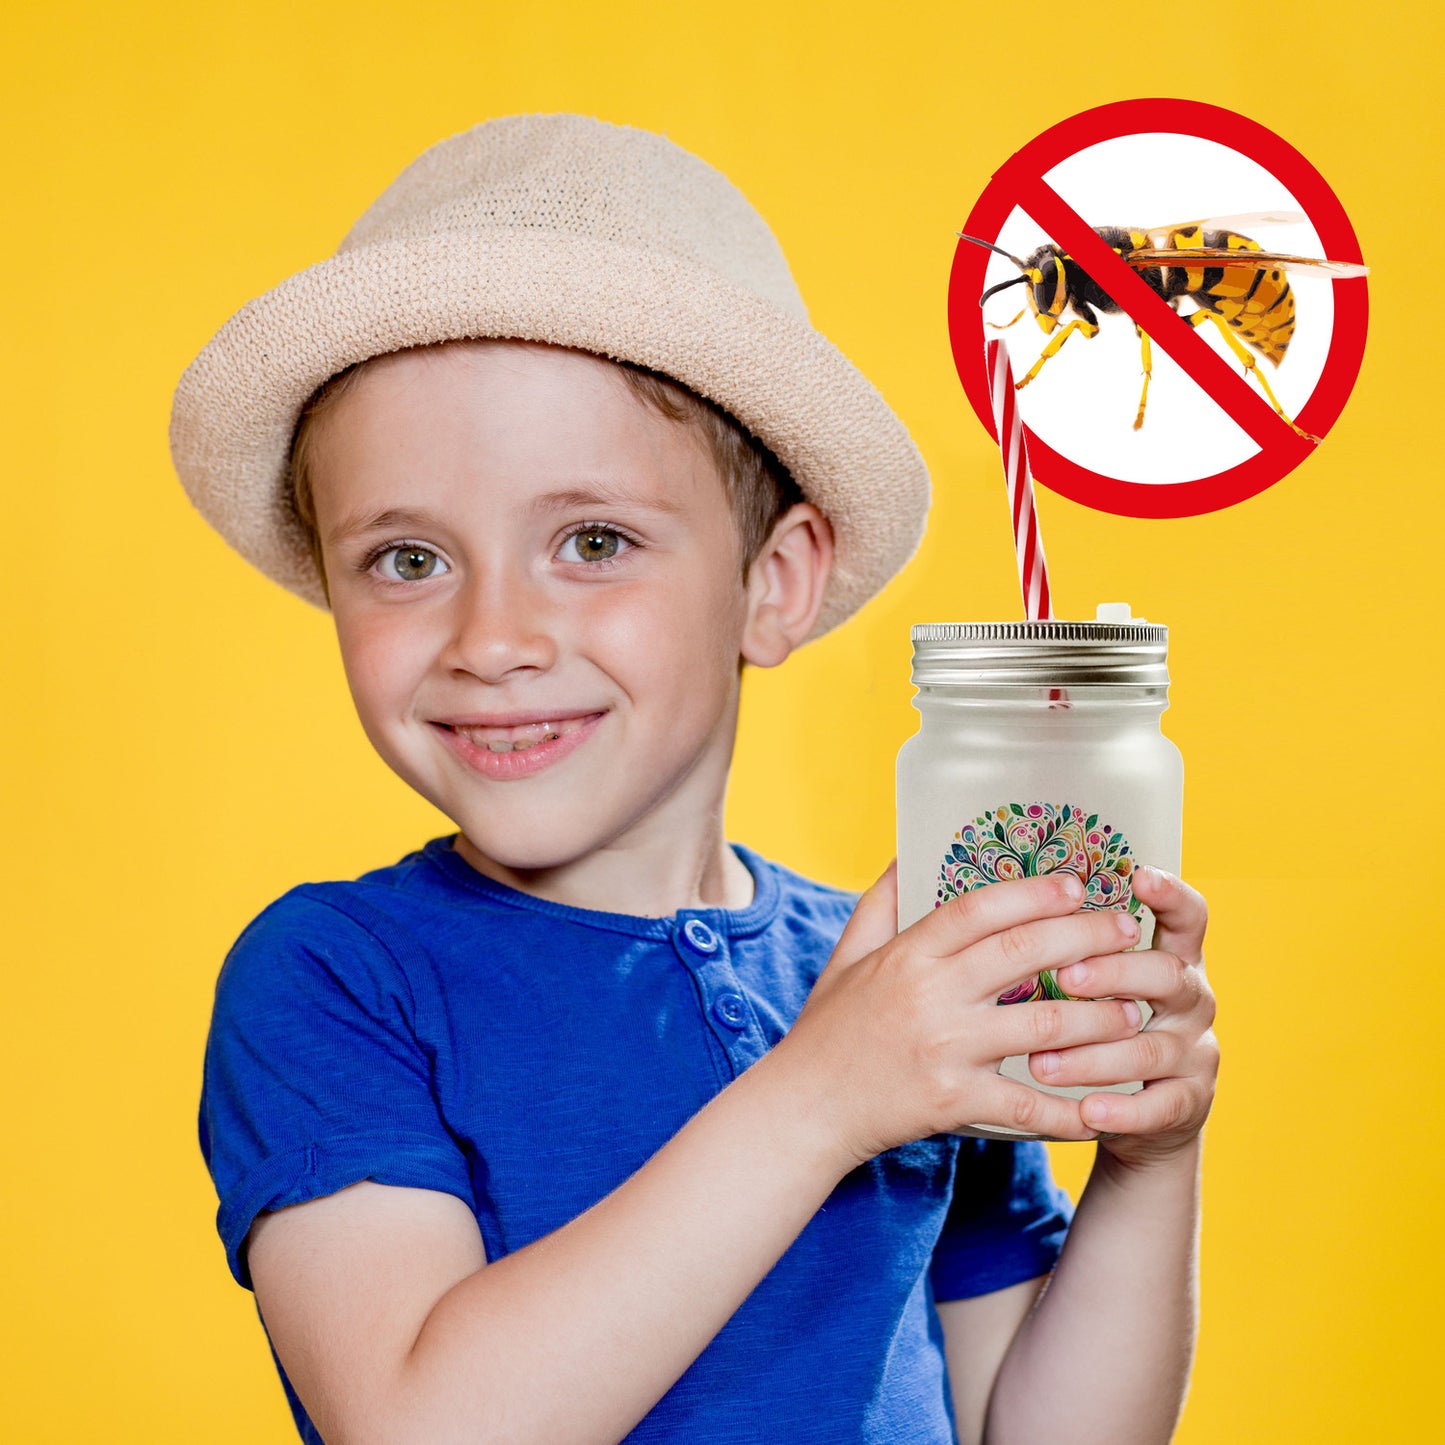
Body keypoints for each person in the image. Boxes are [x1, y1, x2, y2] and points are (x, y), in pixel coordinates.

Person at [174, 114, 1218, 1445]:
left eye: (592, 539)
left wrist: (1145, 1155)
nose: (492, 639)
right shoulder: (335, 976)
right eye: (407, 559)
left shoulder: (886, 983)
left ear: (769, 584)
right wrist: (827, 1093)